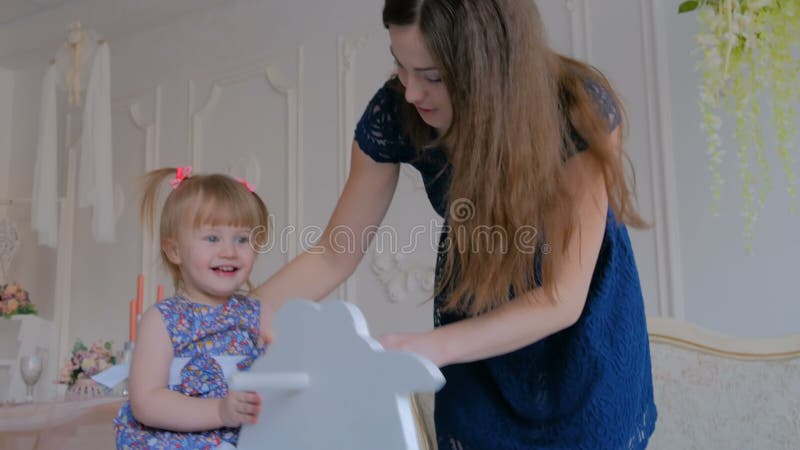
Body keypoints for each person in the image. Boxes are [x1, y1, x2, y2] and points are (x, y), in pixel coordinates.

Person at [255, 0, 656, 448]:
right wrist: (233, 315)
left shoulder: (576, 107)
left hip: (578, 339)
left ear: (493, 66)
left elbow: (561, 298)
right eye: (400, 66)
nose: (410, 92)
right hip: (477, 310)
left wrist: (431, 346)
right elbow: (334, 253)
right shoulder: (398, 112)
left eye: (432, 76)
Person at [115, 167, 272, 449]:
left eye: (242, 239)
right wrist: (219, 412)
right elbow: (146, 401)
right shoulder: (163, 319)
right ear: (174, 250)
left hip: (251, 438)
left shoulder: (259, 314)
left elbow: (286, 368)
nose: (229, 251)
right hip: (183, 440)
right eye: (213, 238)